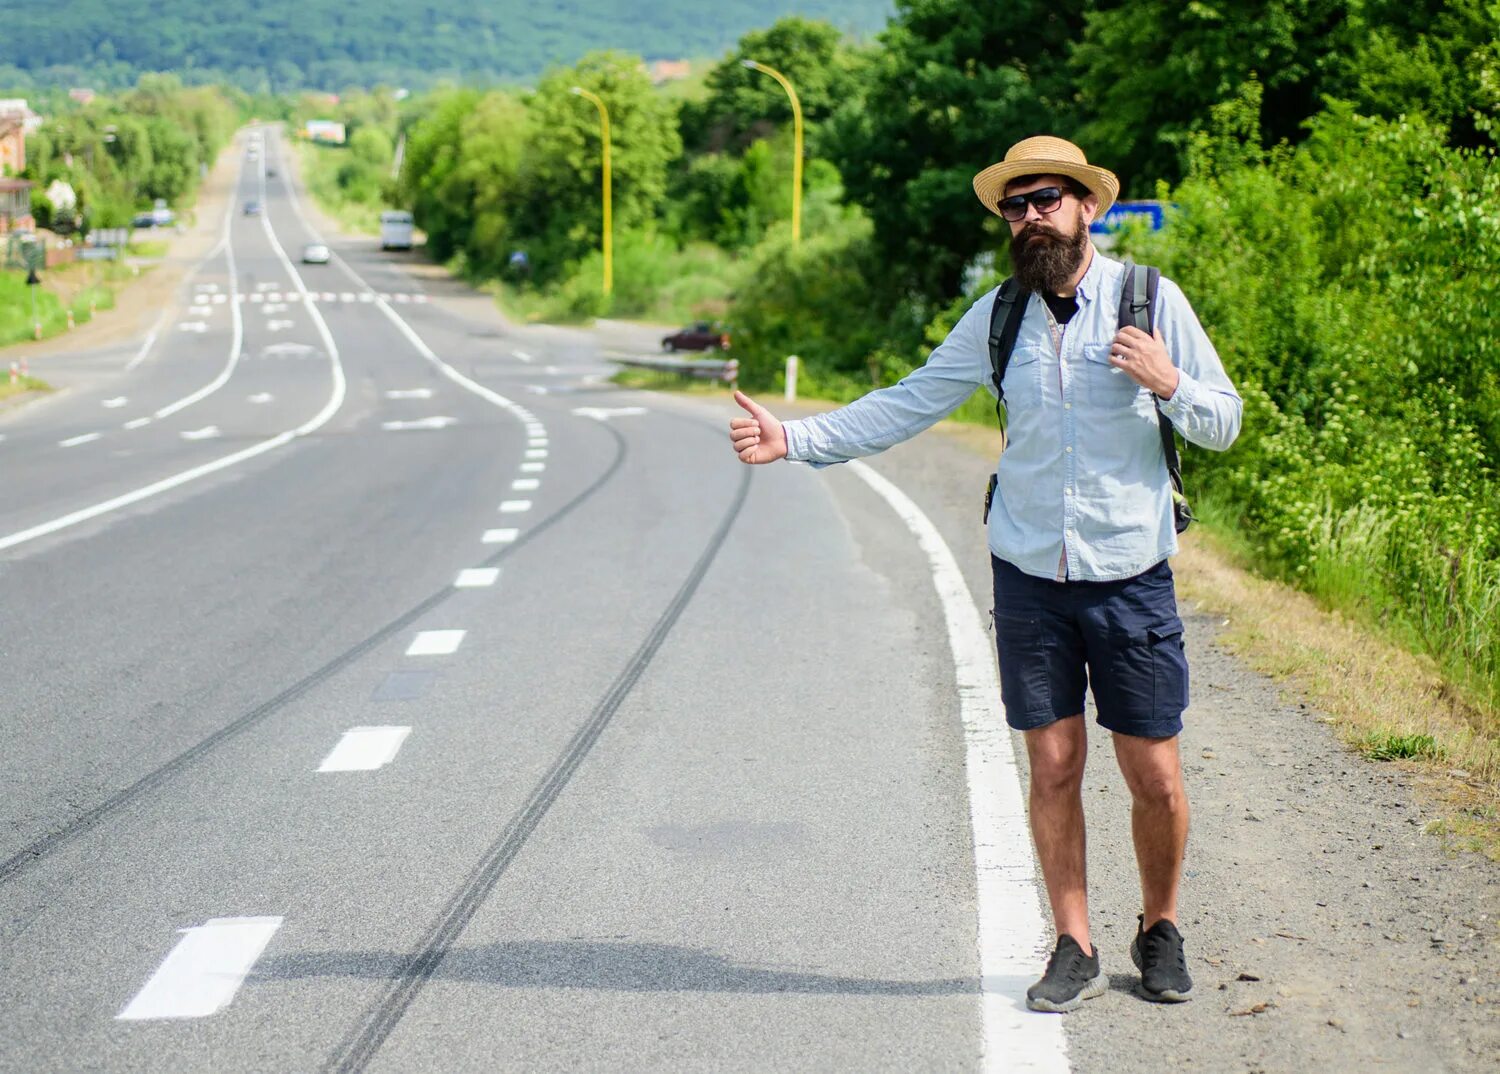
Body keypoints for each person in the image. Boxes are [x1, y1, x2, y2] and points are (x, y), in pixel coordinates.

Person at [726, 135, 1242, 1013]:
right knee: (1052, 765)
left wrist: (1168, 382)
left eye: (1047, 199)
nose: (1031, 216)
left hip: (1130, 572)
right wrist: (796, 440)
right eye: (1016, 204)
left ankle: (1160, 928)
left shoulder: (1151, 300)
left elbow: (1224, 422)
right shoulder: (998, 316)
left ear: (1089, 206)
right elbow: (909, 401)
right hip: (1031, 572)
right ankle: (1072, 942)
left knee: (1153, 773)